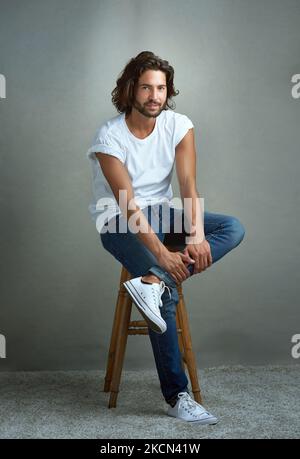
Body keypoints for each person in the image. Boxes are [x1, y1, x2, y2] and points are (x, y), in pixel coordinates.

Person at [86, 51, 245, 424]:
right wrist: (163, 255)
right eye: (146, 88)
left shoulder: (178, 125)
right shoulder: (109, 136)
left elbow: (187, 183)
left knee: (231, 227)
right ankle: (177, 396)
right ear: (130, 90)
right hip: (119, 223)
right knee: (168, 295)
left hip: (163, 212)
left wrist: (195, 232)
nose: (154, 96)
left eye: (160, 88)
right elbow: (127, 205)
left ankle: (152, 282)